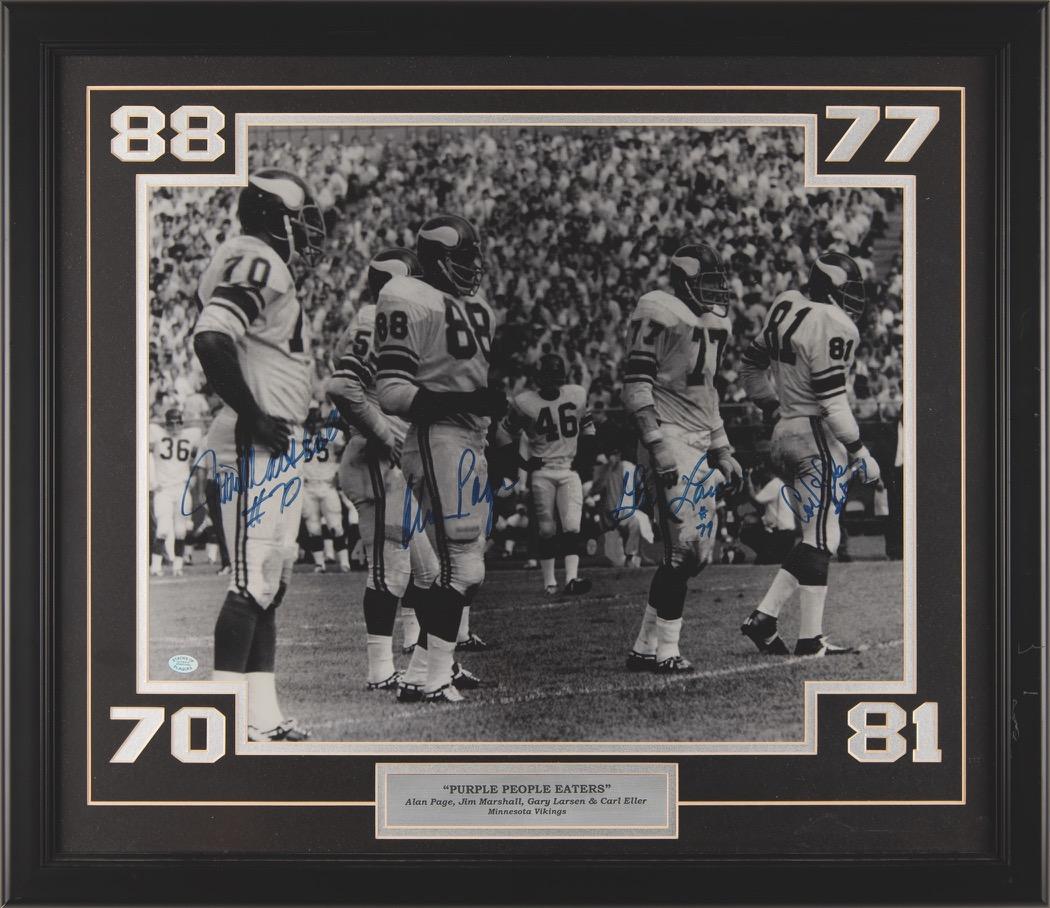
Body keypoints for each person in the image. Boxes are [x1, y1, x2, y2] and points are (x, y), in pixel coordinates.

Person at [192, 168, 326, 741]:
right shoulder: (256, 257)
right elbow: (211, 336)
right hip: (255, 439)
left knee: (269, 581)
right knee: (253, 582)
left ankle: (262, 716)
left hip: (272, 437)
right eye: (300, 219)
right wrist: (253, 412)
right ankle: (223, 718)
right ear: (275, 217)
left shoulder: (256, 259)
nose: (309, 231)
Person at [326, 248, 477, 695]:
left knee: (430, 574)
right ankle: (379, 670)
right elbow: (343, 386)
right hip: (377, 462)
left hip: (390, 462)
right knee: (390, 572)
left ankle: (432, 666)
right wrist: (384, 432)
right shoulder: (374, 318)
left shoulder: (392, 320)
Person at [375, 217, 506, 703]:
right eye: (462, 257)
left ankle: (421, 674)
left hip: (469, 439)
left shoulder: (479, 308)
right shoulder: (406, 295)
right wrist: (465, 402)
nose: (473, 266)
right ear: (434, 259)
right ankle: (432, 679)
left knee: (466, 566)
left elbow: (475, 384)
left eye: (474, 256)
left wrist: (492, 417)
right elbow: (391, 390)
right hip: (437, 438)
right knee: (462, 569)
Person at [738, 251, 881, 656]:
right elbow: (832, 402)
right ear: (829, 287)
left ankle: (766, 618)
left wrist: (773, 408)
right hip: (815, 436)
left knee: (821, 534)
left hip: (784, 432)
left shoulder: (786, 303)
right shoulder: (835, 322)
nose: (853, 299)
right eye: (847, 289)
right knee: (819, 537)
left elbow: (750, 366)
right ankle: (808, 638)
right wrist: (860, 450)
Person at [621, 243, 743, 673]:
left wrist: (722, 447)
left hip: (698, 442)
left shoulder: (715, 323)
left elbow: (708, 393)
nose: (715, 291)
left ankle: (644, 646)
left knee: (698, 555)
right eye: (705, 282)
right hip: (668, 435)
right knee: (683, 549)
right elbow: (636, 387)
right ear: (683, 282)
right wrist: (656, 444)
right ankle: (667, 652)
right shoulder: (658, 310)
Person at [499, 353, 595, 595]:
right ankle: (549, 582)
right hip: (542, 471)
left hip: (568, 469)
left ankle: (571, 579)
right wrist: (522, 463)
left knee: (572, 526)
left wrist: (584, 462)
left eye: (555, 378)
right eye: (548, 378)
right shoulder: (524, 403)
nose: (551, 384)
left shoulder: (576, 394)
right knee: (546, 530)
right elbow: (504, 434)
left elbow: (589, 429)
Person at [149, 407, 201, 577]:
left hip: (181, 489)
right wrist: (152, 480)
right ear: (166, 424)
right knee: (163, 528)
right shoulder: (156, 433)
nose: (174, 426)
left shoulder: (190, 436)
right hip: (163, 489)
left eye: (178, 423)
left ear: (182, 423)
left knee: (180, 530)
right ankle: (155, 566)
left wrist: (193, 475)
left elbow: (200, 455)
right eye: (171, 423)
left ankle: (177, 566)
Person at [300, 408, 349, 573]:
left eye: (317, 421)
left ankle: (344, 563)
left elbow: (346, 447)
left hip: (327, 485)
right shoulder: (300, 437)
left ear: (322, 422)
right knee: (313, 527)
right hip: (308, 486)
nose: (314, 425)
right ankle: (319, 564)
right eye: (311, 422)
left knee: (336, 525)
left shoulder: (331, 434)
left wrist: (338, 470)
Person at [739, 461, 798, 564]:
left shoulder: (774, 484)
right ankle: (768, 554)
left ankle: (767, 554)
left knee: (746, 533)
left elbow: (756, 499)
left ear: (770, 472)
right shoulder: (778, 484)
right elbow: (759, 502)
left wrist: (748, 480)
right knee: (764, 558)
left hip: (782, 535)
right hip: (785, 535)